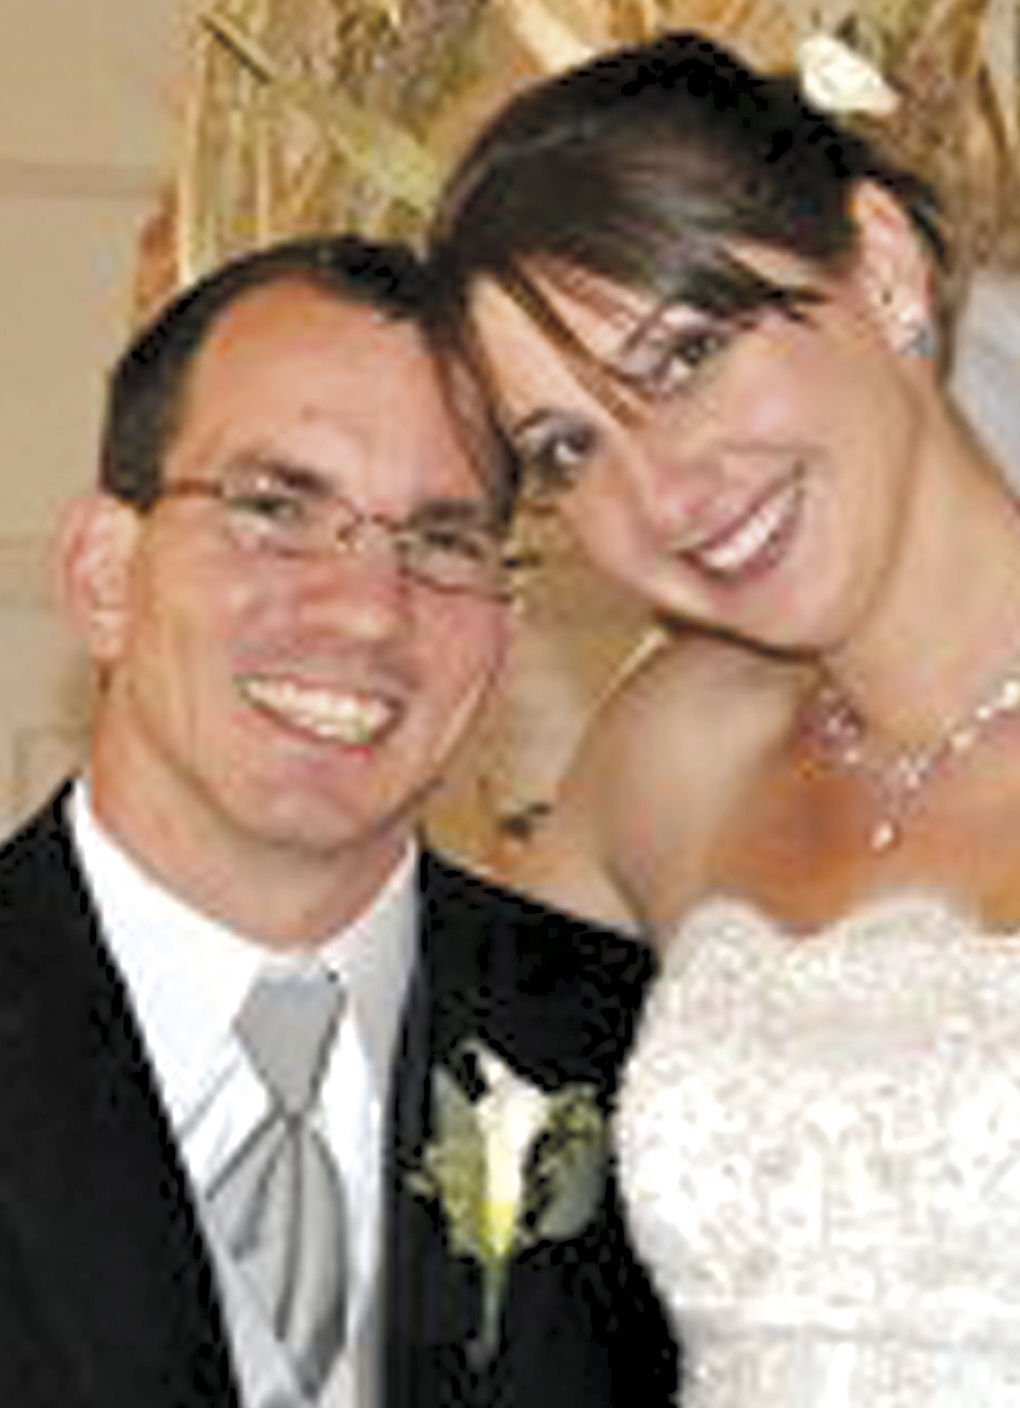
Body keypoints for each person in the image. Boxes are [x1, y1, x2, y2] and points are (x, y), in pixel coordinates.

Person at [427, 29, 1020, 1404]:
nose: (667, 497)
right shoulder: (667, 756)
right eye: (568, 448)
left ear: (883, 267)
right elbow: (484, 1256)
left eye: (686, 355)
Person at [0, 234, 677, 1408]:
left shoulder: (639, 1057)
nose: (367, 610)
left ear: (503, 633)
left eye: (442, 541)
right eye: (274, 508)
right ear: (106, 575)